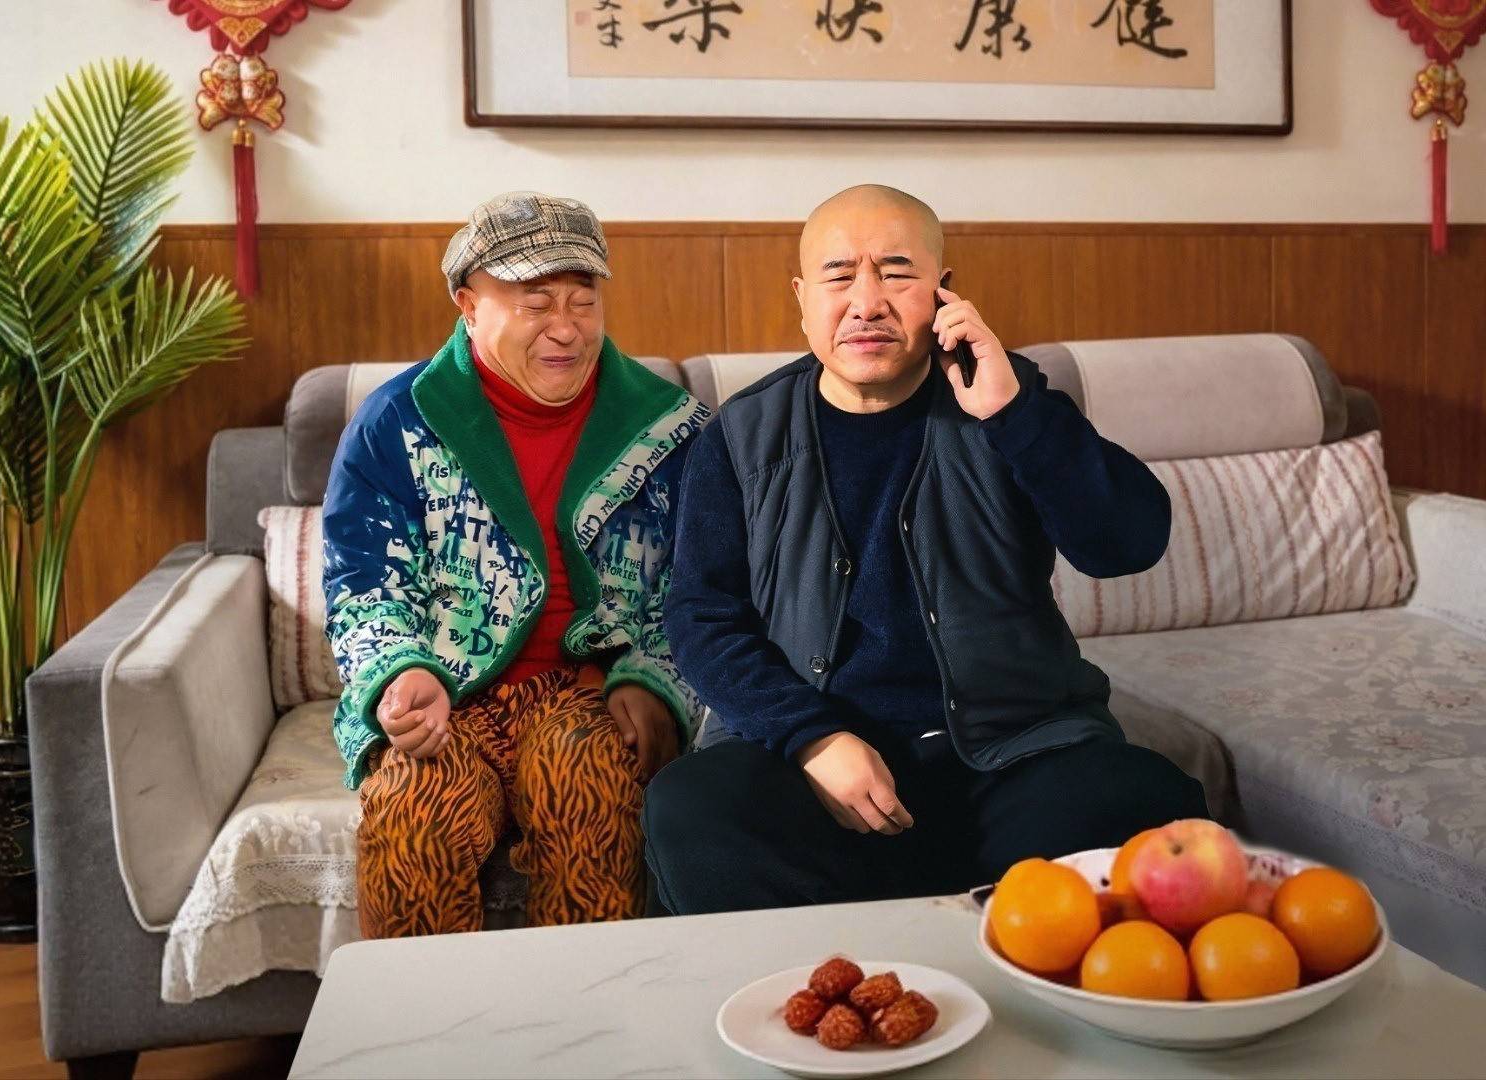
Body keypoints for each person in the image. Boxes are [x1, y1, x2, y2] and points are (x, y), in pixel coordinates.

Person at [643, 184, 1208, 914]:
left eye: (897, 273)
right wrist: (811, 738)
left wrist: (1014, 414)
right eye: (839, 276)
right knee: (693, 808)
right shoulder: (742, 433)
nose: (866, 302)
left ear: (944, 291)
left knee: (1143, 800)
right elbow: (701, 617)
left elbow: (1127, 545)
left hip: (1009, 753)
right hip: (820, 768)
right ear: (803, 299)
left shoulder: (1006, 399)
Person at [323, 191, 709, 937]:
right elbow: (363, 586)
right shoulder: (397, 422)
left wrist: (654, 682)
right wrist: (403, 673)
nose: (565, 329)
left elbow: (700, 591)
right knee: (411, 809)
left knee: (590, 782)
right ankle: (425, 1014)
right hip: (450, 692)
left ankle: (588, 1008)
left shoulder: (670, 430)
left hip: (588, 692)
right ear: (469, 306)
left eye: (582, 301)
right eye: (536, 304)